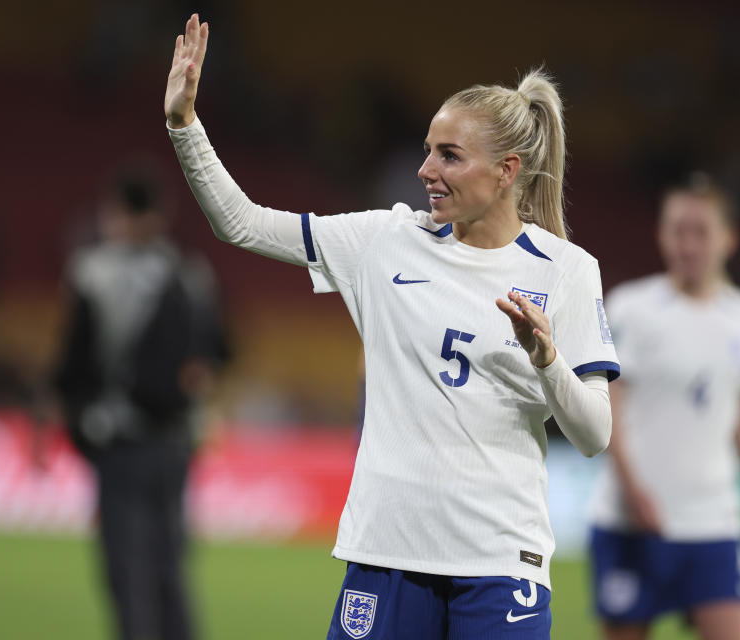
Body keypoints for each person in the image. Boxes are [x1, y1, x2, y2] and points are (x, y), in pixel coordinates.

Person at [165, 15, 619, 639]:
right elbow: (241, 223)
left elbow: (594, 435)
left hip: (500, 563)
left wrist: (546, 360)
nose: (425, 169)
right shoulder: (386, 242)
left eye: (449, 156)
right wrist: (184, 124)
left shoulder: (567, 270)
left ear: (508, 170)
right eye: (428, 149)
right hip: (387, 554)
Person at [589, 173, 740, 640]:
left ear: (729, 238)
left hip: (714, 519)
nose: (688, 243)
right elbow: (608, 405)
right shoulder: (632, 308)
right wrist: (633, 490)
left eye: (701, 231)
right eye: (677, 230)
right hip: (631, 520)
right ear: (661, 235)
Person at [53, 168, 226, 640]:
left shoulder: (94, 273)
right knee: (169, 569)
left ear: (121, 214)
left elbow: (73, 366)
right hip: (176, 441)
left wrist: (79, 427)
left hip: (121, 440)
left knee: (128, 574)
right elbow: (219, 351)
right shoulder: (190, 274)